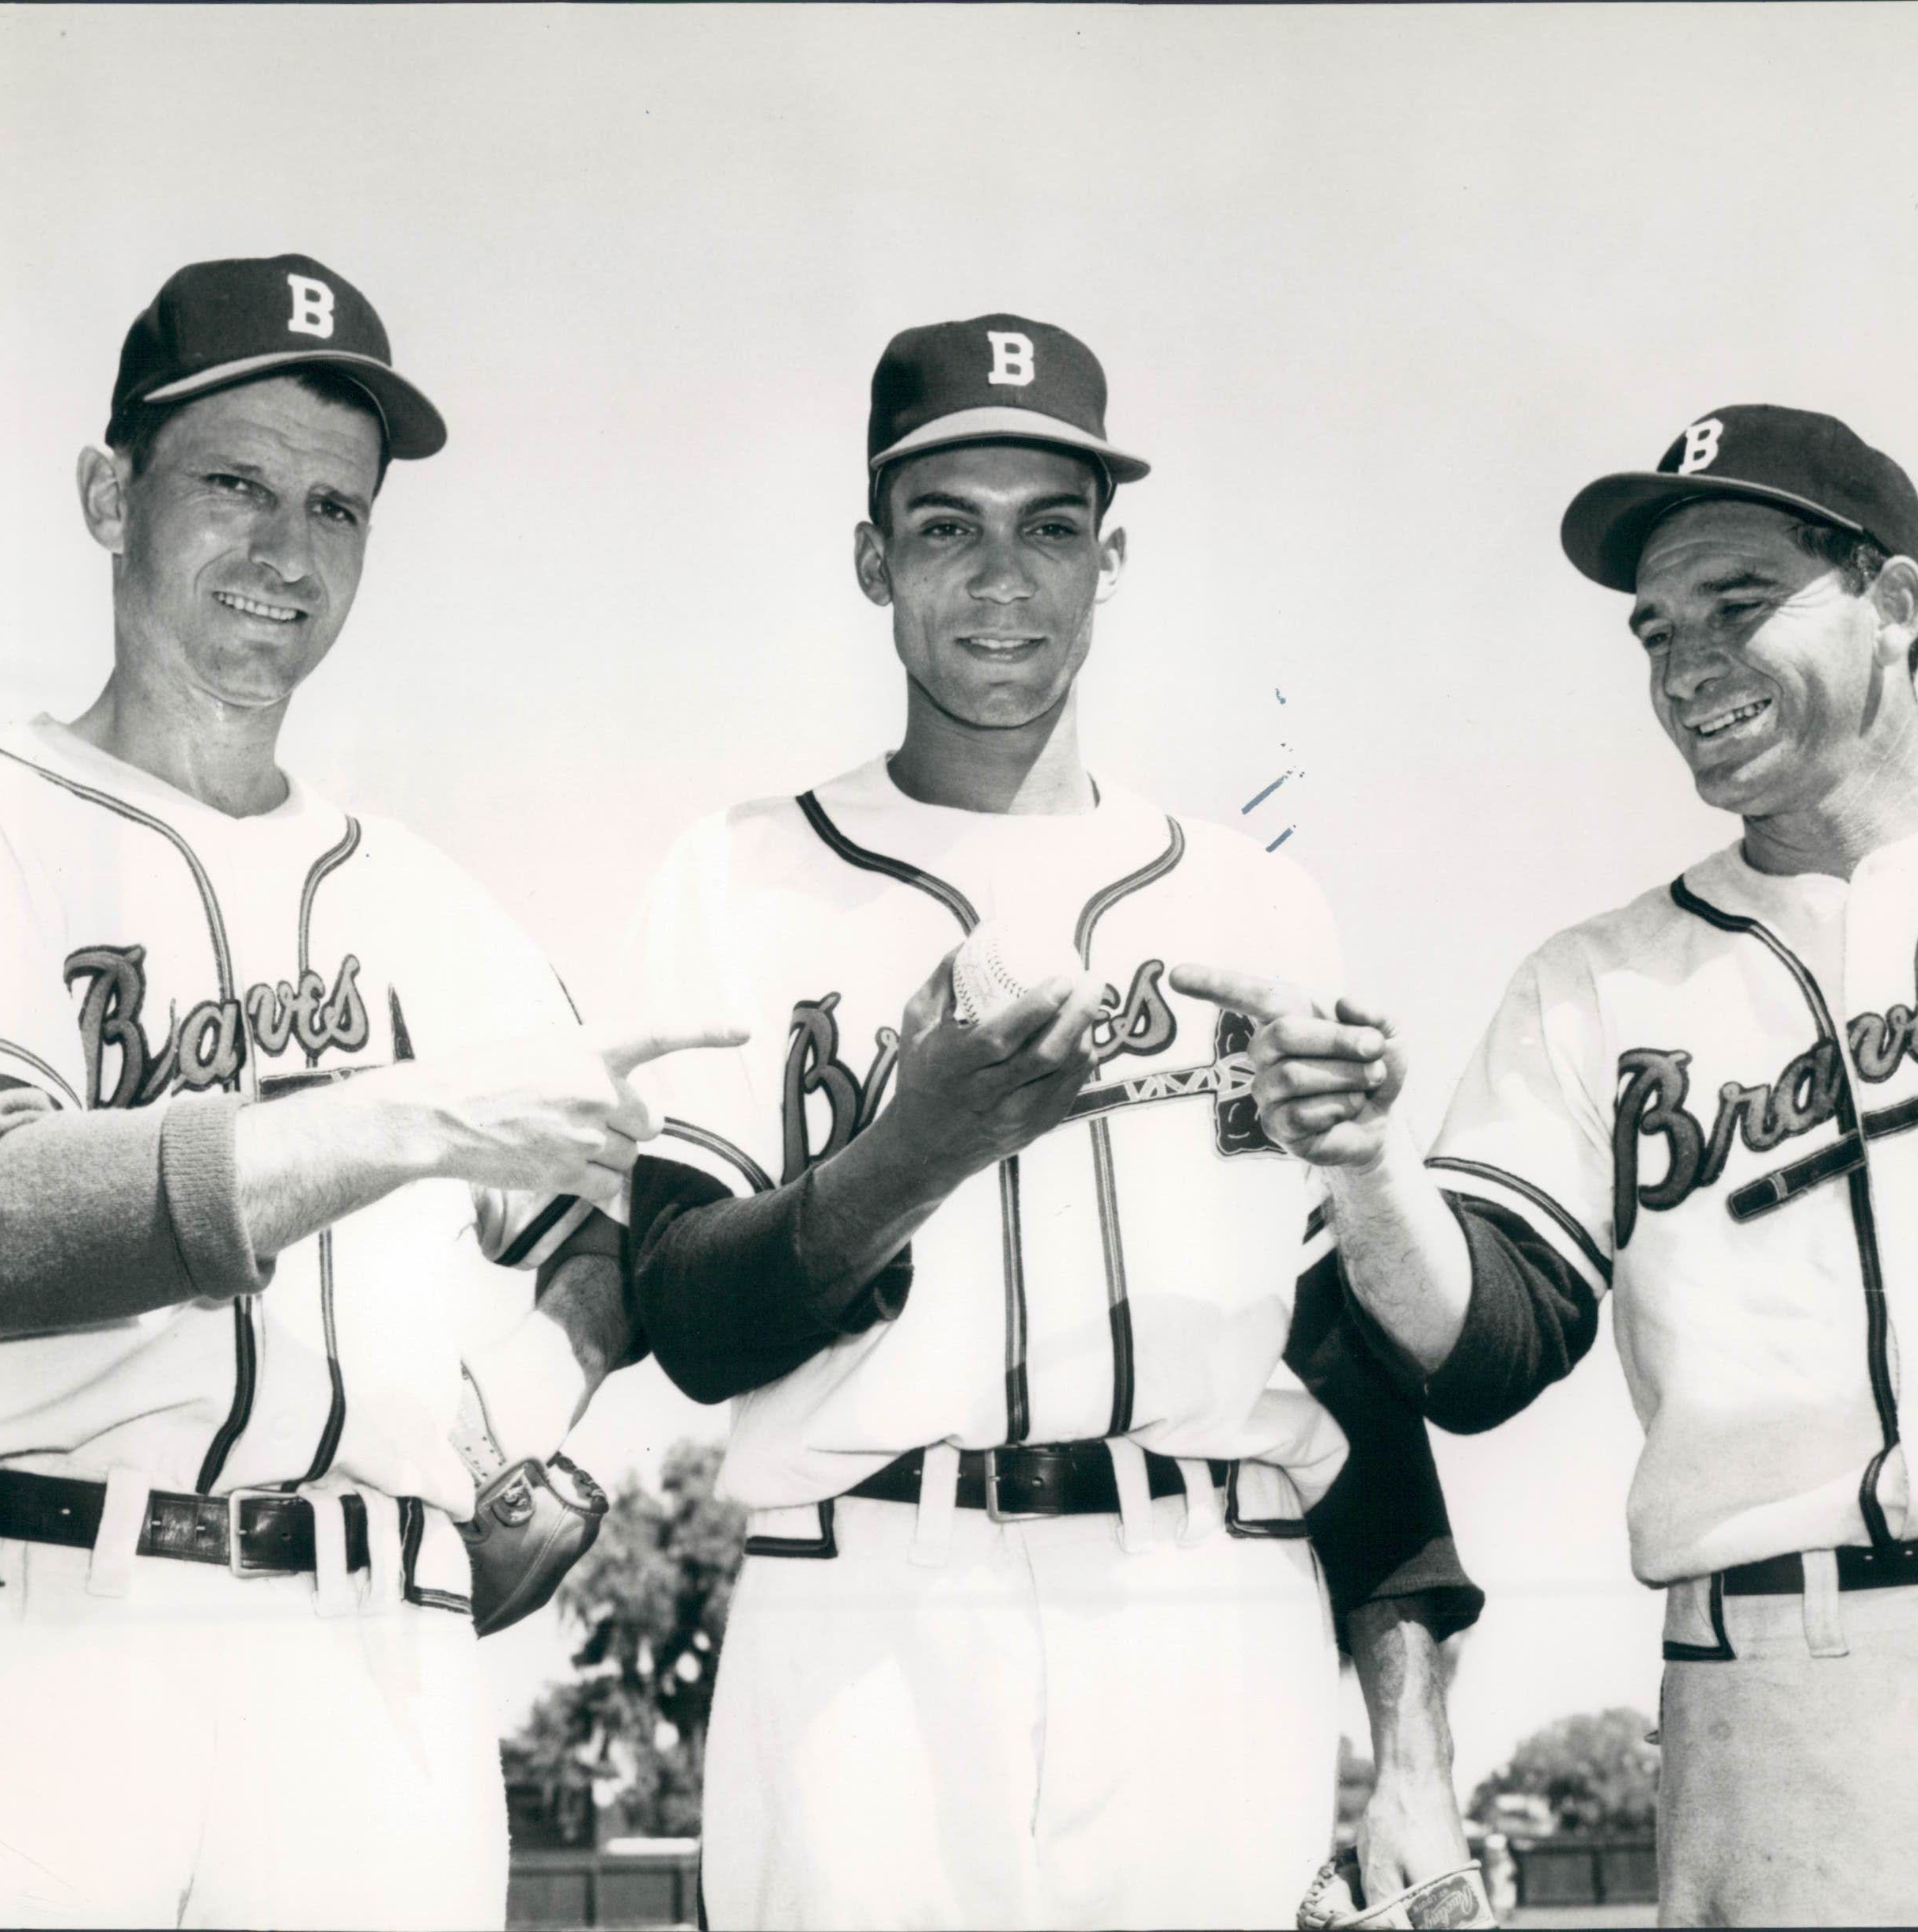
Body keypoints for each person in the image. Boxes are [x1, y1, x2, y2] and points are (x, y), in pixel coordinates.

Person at [1186, 404, 1918, 1925]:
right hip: (1792, 1693)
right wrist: (1363, 1163)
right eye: (1656, 630)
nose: (1687, 664)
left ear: (1894, 605)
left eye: (1740, 605)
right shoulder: (1597, 985)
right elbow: (1479, 1350)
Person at [621, 315, 1488, 1930]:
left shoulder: (1254, 903)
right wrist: (907, 1155)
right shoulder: (737, 877)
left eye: (1051, 527)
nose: (1002, 577)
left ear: (1111, 559)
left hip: (1209, 1600)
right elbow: (683, 1310)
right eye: (947, 527)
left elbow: (1345, 1358)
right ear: (872, 562)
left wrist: (1413, 1754)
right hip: (858, 1609)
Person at [0, 254, 732, 1930]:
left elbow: (609, 1232)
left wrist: (522, 1424)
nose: (287, 549)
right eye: (235, 484)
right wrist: (403, 1117)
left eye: (338, 509)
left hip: (381, 1670)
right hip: (33, 1626)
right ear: (105, 492)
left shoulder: (433, 899)